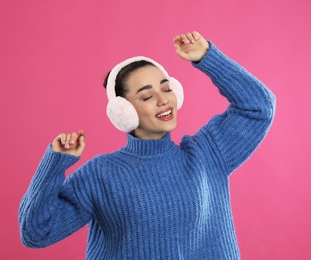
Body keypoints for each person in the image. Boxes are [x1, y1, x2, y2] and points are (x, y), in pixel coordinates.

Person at [19, 31, 276, 259]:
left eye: (166, 89)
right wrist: (55, 163)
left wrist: (207, 57)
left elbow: (259, 107)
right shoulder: (100, 174)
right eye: (147, 96)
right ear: (123, 111)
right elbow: (37, 233)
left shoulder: (207, 153)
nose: (163, 101)